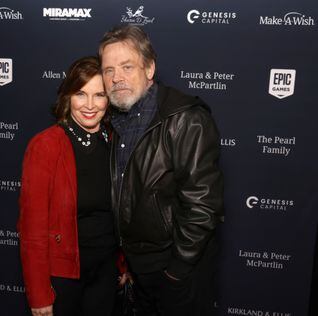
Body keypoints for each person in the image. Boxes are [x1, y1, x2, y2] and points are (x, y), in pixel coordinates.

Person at [98, 25, 224, 315]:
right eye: (108, 70)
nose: (116, 78)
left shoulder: (186, 120)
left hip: (176, 270)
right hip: (136, 267)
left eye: (127, 66)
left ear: (150, 68)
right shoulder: (114, 122)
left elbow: (203, 205)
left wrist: (176, 272)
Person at [17, 56, 120, 316]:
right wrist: (39, 294)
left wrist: (123, 265)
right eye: (80, 94)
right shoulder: (46, 146)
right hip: (63, 277)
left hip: (107, 272)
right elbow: (33, 229)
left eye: (99, 95)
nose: (90, 105)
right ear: (67, 97)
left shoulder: (115, 142)